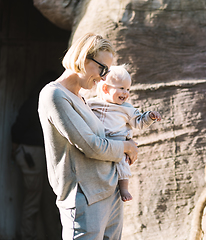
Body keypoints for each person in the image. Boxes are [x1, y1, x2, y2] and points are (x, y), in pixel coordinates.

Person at [37, 33, 138, 239]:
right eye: (102, 69)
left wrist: (126, 141)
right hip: (84, 198)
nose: (103, 77)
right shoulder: (55, 95)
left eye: (107, 71)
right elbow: (91, 145)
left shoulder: (81, 97)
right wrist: (126, 148)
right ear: (83, 59)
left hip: (110, 193)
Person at [87, 65, 161, 202]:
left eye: (128, 89)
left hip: (118, 141)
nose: (125, 93)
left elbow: (140, 122)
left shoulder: (127, 109)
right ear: (105, 88)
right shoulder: (92, 104)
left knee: (122, 163)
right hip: (100, 141)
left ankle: (124, 188)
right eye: (121, 88)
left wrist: (149, 117)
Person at [11, 72, 61, 240]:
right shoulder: (44, 103)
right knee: (39, 199)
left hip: (36, 155)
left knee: (38, 199)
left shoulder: (33, 103)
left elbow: (16, 130)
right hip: (35, 155)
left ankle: (34, 235)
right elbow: (16, 131)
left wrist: (16, 152)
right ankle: (29, 236)